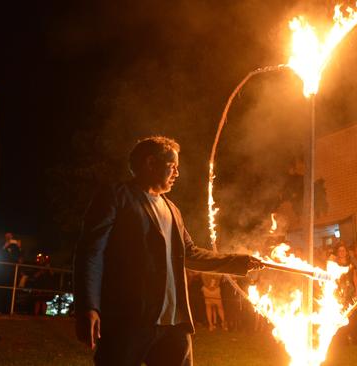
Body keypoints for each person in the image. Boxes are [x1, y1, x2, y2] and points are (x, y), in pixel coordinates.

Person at [74, 136, 261, 366]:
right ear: (151, 163)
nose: (177, 174)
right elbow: (91, 253)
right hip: (130, 319)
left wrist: (239, 262)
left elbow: (190, 253)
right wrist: (89, 306)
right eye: (172, 166)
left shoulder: (172, 209)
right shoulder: (116, 197)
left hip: (174, 324)